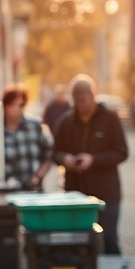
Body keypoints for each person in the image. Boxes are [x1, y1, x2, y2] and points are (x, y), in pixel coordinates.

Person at [52, 74, 129, 255]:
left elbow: (122, 152)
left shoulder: (110, 119)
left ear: (93, 96)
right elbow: (55, 153)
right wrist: (65, 159)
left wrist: (93, 161)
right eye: (77, 101)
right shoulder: (66, 122)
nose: (81, 105)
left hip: (106, 195)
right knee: (78, 244)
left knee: (109, 240)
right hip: (75, 195)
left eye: (84, 100)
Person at [1, 84, 53, 190]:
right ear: (6, 106)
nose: (17, 109)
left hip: (32, 192)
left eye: (21, 105)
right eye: (13, 105)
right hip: (4, 192)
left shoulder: (35, 125)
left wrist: (38, 176)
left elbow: (49, 153)